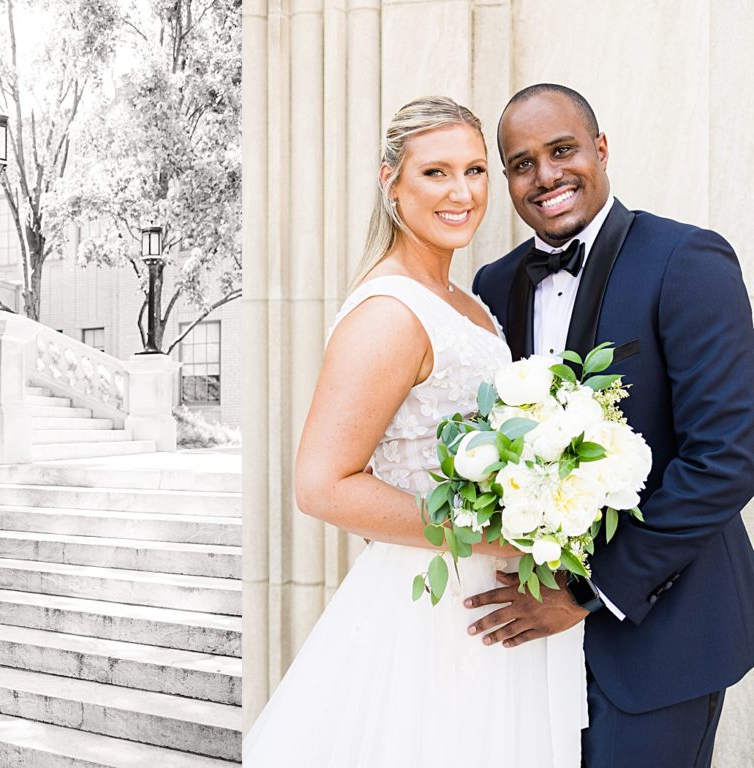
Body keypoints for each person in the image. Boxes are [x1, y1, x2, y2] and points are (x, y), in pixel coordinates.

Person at [243, 96, 587, 767]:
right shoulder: (390, 311)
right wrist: (495, 533)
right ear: (390, 179)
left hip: (493, 605)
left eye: (476, 170)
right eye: (435, 173)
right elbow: (321, 485)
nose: (461, 192)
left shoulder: (468, 301)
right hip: (431, 610)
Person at [469, 83, 754, 768]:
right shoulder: (491, 285)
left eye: (562, 150)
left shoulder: (687, 260)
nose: (546, 177)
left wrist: (586, 592)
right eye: (522, 162)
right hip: (525, 645)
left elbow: (727, 457)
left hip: (662, 636)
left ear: (600, 148)